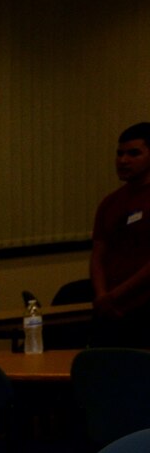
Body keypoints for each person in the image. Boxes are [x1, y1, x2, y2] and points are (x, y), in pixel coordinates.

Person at [91, 122, 150, 347]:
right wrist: (101, 295)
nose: (123, 160)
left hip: (143, 306)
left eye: (133, 153)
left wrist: (115, 295)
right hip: (109, 309)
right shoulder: (110, 202)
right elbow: (98, 253)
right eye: (119, 153)